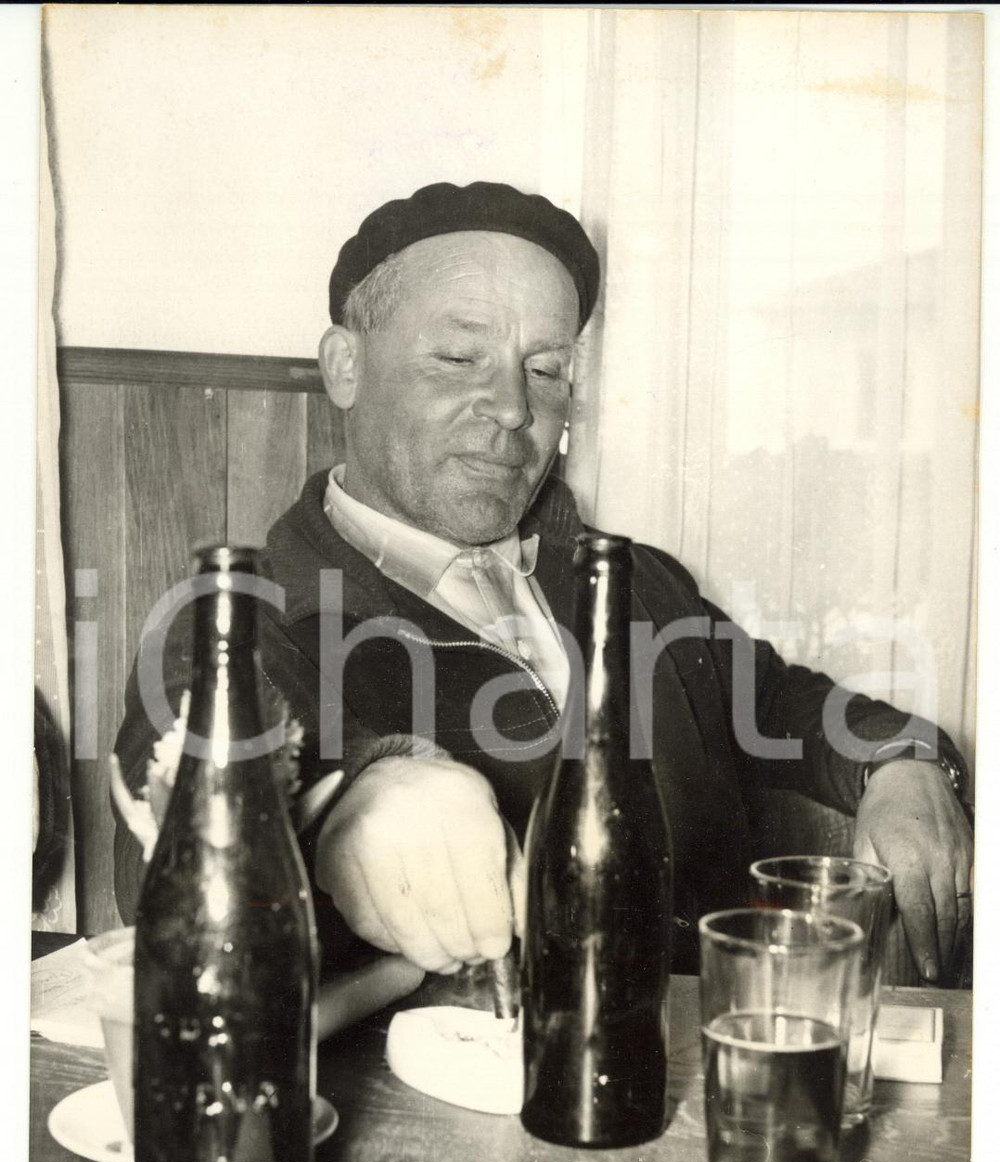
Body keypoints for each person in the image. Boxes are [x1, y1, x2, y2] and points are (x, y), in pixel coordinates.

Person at [113, 181, 973, 981]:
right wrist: (362, 792)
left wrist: (899, 764)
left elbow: (783, 703)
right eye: (458, 357)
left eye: (547, 369)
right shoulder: (241, 619)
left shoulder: (640, 585)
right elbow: (194, 783)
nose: (516, 408)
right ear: (344, 366)